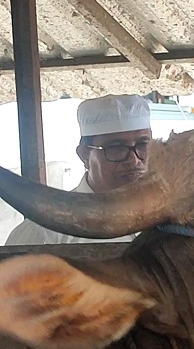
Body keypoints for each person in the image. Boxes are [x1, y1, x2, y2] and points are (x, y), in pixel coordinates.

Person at [4, 94, 152, 245]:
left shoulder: (165, 219)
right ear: (85, 154)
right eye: (116, 148)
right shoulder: (46, 230)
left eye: (143, 145)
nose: (134, 159)